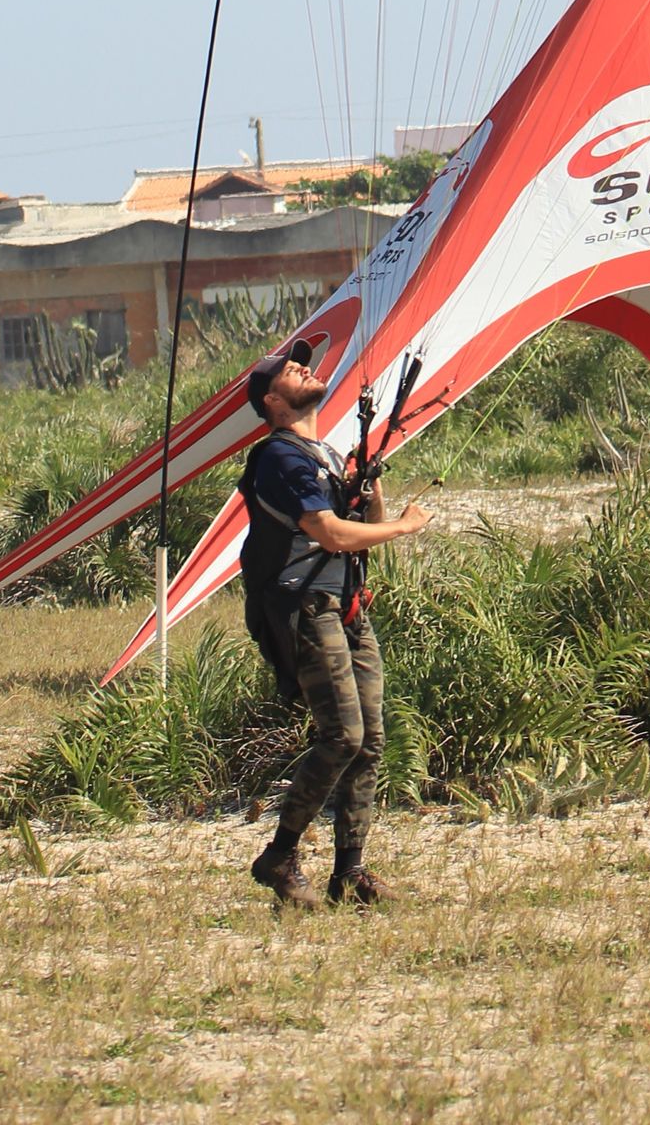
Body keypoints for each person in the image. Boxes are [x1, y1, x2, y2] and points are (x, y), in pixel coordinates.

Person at [239, 342, 429, 911]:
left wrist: (370, 494)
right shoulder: (279, 458)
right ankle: (281, 854)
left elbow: (356, 525)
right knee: (343, 735)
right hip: (306, 608)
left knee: (369, 742)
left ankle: (350, 872)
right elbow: (331, 535)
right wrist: (402, 527)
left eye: (301, 362)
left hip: (347, 607)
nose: (301, 366)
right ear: (272, 401)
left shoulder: (320, 454)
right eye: (286, 370)